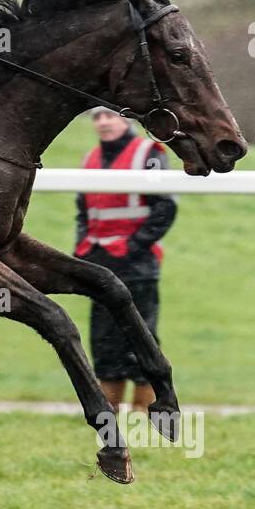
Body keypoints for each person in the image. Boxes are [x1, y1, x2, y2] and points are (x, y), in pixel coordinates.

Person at [75, 107, 178, 413]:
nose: (104, 122)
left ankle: (145, 407)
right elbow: (85, 211)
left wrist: (134, 245)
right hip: (99, 262)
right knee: (103, 338)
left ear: (126, 120)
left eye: (110, 116)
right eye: (97, 117)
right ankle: (109, 408)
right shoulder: (89, 159)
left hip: (138, 262)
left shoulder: (149, 154)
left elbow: (165, 208)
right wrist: (82, 248)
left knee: (141, 334)